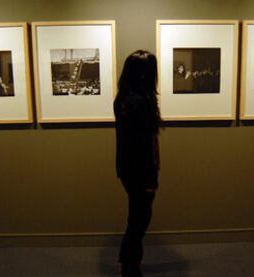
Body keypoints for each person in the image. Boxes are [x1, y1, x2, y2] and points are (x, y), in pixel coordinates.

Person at [114, 50, 161, 277]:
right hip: (139, 171)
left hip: (127, 168)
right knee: (139, 219)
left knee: (136, 217)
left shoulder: (123, 98)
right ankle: (129, 266)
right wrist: (151, 179)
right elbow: (142, 146)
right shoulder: (139, 102)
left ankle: (128, 262)